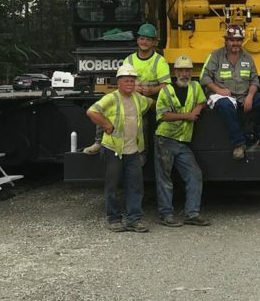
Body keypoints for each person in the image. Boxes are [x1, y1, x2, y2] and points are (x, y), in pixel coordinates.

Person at [200, 24, 260, 160]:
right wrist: (219, 90)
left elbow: (254, 80)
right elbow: (204, 77)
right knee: (225, 104)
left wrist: (250, 96)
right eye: (232, 40)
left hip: (243, 96)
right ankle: (239, 144)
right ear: (226, 41)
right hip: (221, 96)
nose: (236, 43)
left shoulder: (248, 58)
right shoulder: (215, 56)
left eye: (238, 40)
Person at [86, 63, 153, 233]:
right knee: (113, 186)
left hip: (132, 150)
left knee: (135, 186)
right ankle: (114, 219)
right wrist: (106, 124)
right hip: (113, 149)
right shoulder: (111, 98)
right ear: (119, 82)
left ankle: (134, 219)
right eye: (127, 81)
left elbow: (151, 103)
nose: (130, 84)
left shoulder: (138, 98)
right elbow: (92, 112)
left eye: (132, 81)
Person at [83, 22, 169, 155]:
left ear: (153, 42)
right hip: (130, 95)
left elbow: (166, 85)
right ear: (137, 39)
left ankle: (141, 154)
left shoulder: (159, 61)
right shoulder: (129, 60)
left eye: (148, 39)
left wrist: (151, 90)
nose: (144, 42)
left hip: (148, 100)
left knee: (141, 122)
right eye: (142, 38)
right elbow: (123, 81)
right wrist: (134, 88)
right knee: (107, 109)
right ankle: (99, 142)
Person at [154, 55, 210, 227]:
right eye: (181, 70)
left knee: (194, 174)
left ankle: (191, 214)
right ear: (175, 72)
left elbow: (202, 101)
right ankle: (166, 215)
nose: (184, 74)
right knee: (164, 179)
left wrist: (197, 108)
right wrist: (188, 116)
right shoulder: (165, 91)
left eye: (187, 70)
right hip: (165, 139)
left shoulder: (195, 86)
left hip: (182, 141)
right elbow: (163, 115)